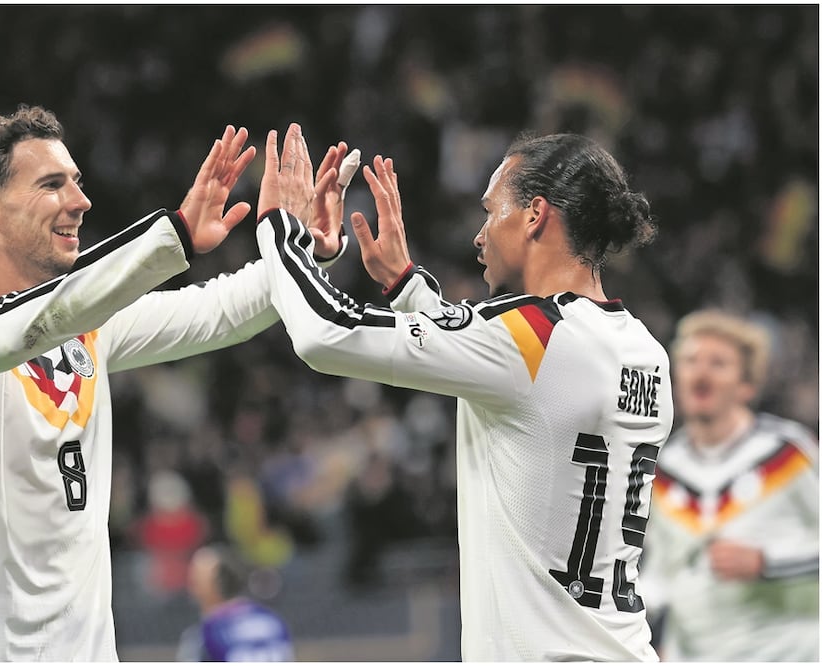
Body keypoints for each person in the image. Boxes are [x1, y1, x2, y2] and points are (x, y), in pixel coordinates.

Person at [0, 106, 354, 660]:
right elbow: (21, 327)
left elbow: (220, 310)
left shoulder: (86, 327)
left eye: (77, 183)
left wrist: (301, 249)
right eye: (52, 185)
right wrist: (172, 234)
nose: (79, 203)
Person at [255, 128, 673, 660]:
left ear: (534, 215)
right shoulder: (644, 351)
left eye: (490, 210)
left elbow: (324, 334)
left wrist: (279, 228)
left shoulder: (534, 335)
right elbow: (512, 379)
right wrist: (408, 286)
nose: (479, 235)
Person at [640, 309, 818, 661]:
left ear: (746, 385)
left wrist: (767, 563)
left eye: (718, 363)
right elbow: (660, 574)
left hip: (786, 654)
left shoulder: (787, 453)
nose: (700, 371)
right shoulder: (664, 468)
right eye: (690, 360)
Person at [176, 544, 294, 662]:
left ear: (216, 585)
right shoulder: (273, 621)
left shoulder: (205, 635)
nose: (190, 585)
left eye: (195, 579)